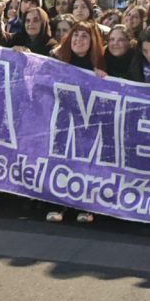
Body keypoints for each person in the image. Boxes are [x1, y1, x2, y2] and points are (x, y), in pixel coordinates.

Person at [48, 20, 104, 224]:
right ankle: (57, 203)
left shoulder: (101, 64)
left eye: (84, 36)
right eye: (76, 35)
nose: (78, 39)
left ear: (93, 41)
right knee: (60, 159)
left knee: (85, 161)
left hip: (88, 122)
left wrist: (105, 80)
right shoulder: (55, 58)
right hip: (61, 119)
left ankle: (85, 206)